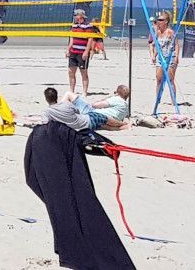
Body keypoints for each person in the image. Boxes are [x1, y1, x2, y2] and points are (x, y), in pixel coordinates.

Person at [24, 102, 136, 269]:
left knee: (70, 215)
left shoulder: (44, 135)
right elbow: (90, 141)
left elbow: (31, 178)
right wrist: (106, 147)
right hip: (70, 183)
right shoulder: (63, 134)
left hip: (58, 191)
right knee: (82, 214)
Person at [149, 12, 181, 103]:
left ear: (166, 21)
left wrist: (176, 57)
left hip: (170, 57)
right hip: (160, 58)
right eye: (158, 20)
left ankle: (173, 100)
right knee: (158, 79)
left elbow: (176, 45)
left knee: (170, 80)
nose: (158, 21)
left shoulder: (170, 32)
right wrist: (153, 56)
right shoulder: (158, 32)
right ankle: (157, 99)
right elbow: (155, 45)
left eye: (161, 20)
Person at [67, 9, 99, 95]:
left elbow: (90, 39)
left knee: (83, 72)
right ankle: (71, 91)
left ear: (80, 16)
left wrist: (86, 51)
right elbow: (71, 39)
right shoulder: (74, 26)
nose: (75, 17)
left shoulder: (88, 26)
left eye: (76, 15)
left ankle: (84, 92)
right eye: (75, 15)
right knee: (71, 72)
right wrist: (68, 50)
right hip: (73, 51)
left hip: (82, 52)